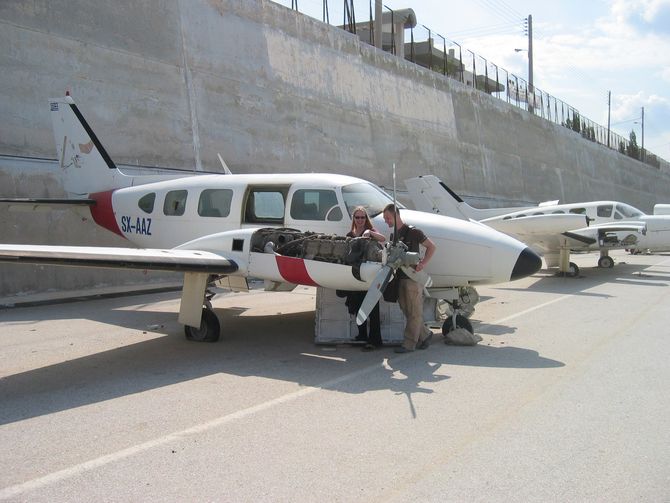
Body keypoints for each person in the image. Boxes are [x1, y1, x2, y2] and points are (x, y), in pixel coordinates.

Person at [382, 203, 437, 353]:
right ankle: (425, 334)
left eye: (387, 217)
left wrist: (423, 264)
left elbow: (432, 247)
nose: (386, 221)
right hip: (399, 278)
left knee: (414, 312)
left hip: (413, 278)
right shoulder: (394, 235)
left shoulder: (414, 232)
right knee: (406, 310)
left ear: (395, 215)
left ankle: (409, 344)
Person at [346, 206, 386, 351]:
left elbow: (383, 239)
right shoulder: (350, 234)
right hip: (355, 276)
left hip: (369, 277)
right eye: (357, 217)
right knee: (357, 307)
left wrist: (370, 232)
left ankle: (375, 340)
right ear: (354, 219)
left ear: (366, 219)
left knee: (372, 310)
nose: (360, 220)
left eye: (363, 217)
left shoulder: (370, 232)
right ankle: (362, 335)